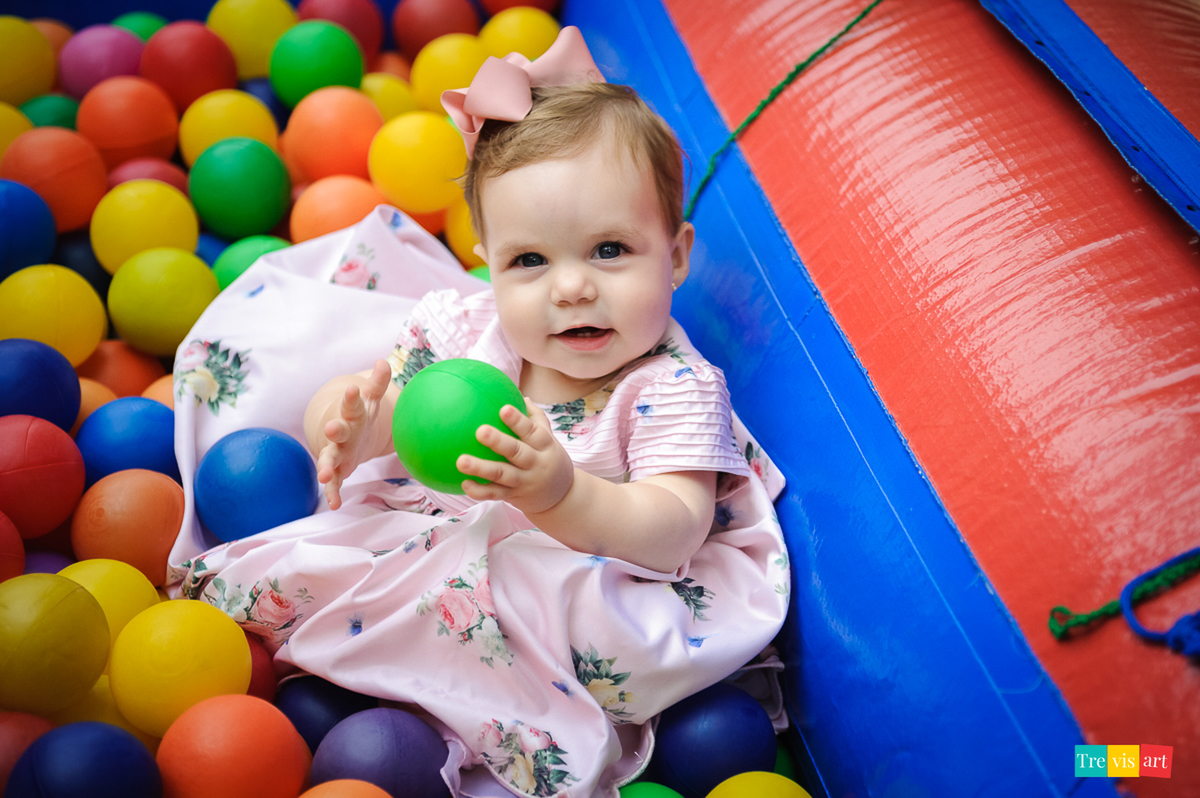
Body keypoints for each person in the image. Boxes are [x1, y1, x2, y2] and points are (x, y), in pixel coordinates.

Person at [167, 26, 789, 798]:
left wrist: (564, 493)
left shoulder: (672, 386)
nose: (571, 287)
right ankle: (387, 685)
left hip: (583, 575)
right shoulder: (470, 333)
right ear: (487, 266)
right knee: (339, 556)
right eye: (530, 260)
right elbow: (398, 414)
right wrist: (352, 425)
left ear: (678, 254)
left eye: (609, 250)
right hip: (437, 531)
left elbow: (674, 530)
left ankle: (453, 723)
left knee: (525, 601)